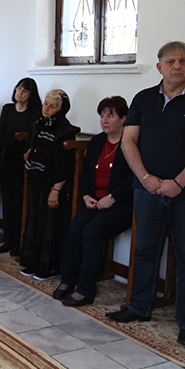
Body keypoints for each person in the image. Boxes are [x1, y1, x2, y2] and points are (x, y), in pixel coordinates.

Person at [106, 41, 185, 349]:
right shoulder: (143, 99)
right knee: (145, 250)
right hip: (147, 189)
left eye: (183, 60)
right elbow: (128, 142)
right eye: (170, 61)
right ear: (159, 67)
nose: (177, 66)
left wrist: (178, 183)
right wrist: (145, 178)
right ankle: (139, 306)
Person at [54, 96, 133, 307]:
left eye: (110, 116)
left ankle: (86, 290)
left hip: (120, 204)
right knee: (75, 228)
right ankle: (68, 279)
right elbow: (86, 173)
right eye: (102, 115)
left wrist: (112, 198)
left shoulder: (131, 142)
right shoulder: (98, 141)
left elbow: (134, 178)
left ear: (123, 119)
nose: (104, 120)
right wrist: (86, 195)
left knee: (92, 232)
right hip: (93, 200)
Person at [19, 89, 80, 281]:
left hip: (54, 183)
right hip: (37, 179)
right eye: (45, 104)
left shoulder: (66, 130)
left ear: (61, 109)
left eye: (52, 106)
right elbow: (28, 150)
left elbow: (65, 166)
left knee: (50, 224)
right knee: (34, 220)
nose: (46, 108)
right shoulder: (38, 123)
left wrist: (55, 190)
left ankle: (48, 267)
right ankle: (32, 262)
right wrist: (28, 154)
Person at [0, 78, 42, 256]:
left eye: (25, 90)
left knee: (20, 202)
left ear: (31, 94)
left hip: (23, 161)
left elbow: (30, 137)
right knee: (7, 202)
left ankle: (18, 242)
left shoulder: (35, 112)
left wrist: (15, 143)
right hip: (7, 159)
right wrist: (14, 142)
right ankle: (7, 240)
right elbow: (0, 133)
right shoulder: (8, 109)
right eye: (19, 88)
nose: (20, 92)